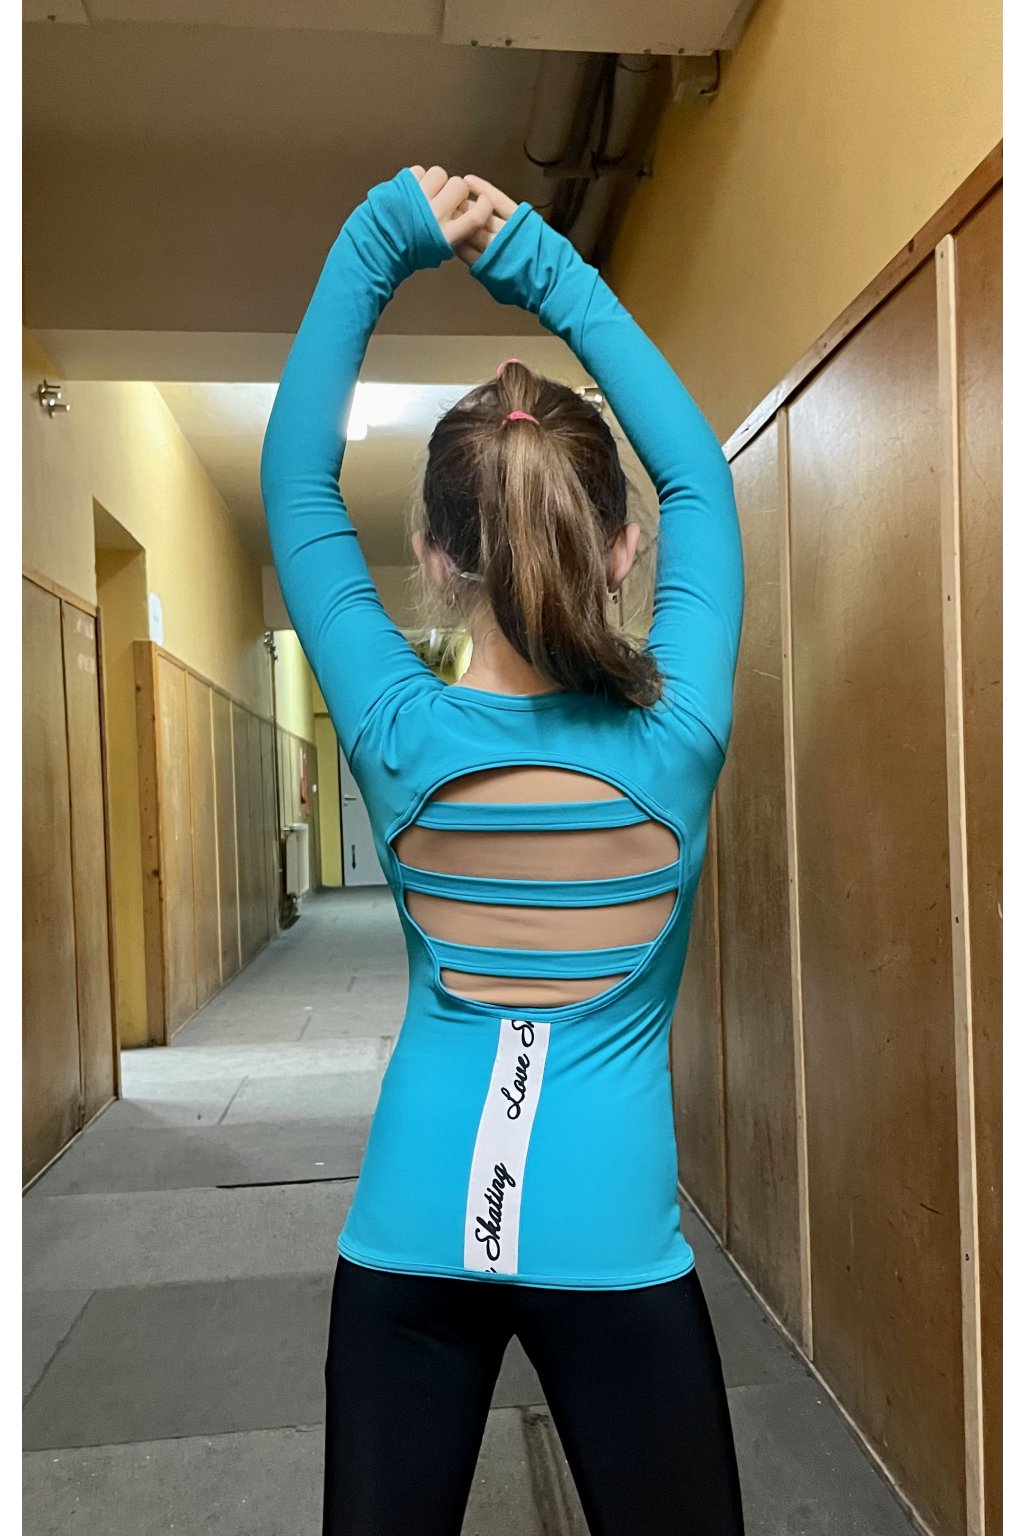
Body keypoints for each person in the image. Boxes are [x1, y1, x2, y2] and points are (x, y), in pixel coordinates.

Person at [261, 162, 746, 1536]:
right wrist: (539, 262)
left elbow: (293, 477)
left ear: (430, 556)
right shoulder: (678, 736)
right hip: (613, 1237)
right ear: (625, 551)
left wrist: (385, 234)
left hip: (411, 1228)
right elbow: (703, 479)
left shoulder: (393, 730)